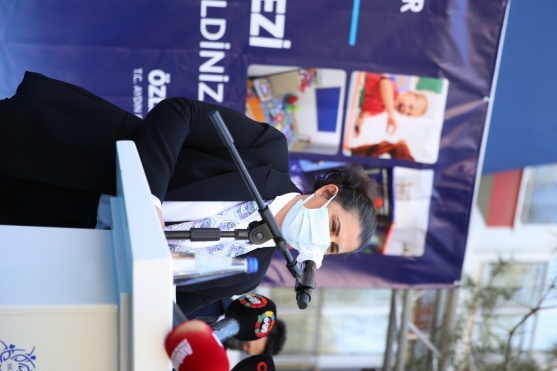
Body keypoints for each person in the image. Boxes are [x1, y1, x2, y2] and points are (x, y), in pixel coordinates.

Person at [0, 71, 378, 314]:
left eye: (332, 248)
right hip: (69, 154)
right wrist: (148, 199)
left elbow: (164, 308)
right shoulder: (267, 151)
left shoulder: (247, 273)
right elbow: (179, 113)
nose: (321, 243)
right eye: (332, 227)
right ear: (326, 193)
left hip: (58, 241)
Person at [187, 297, 287, 356]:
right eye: (247, 344)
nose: (241, 347)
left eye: (246, 351)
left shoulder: (211, 356)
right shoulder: (217, 292)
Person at [354, 72, 429, 136]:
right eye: (410, 106)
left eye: (408, 114)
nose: (406, 111)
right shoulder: (392, 87)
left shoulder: (381, 110)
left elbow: (364, 114)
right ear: (408, 93)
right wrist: (390, 113)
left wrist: (359, 123)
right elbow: (384, 83)